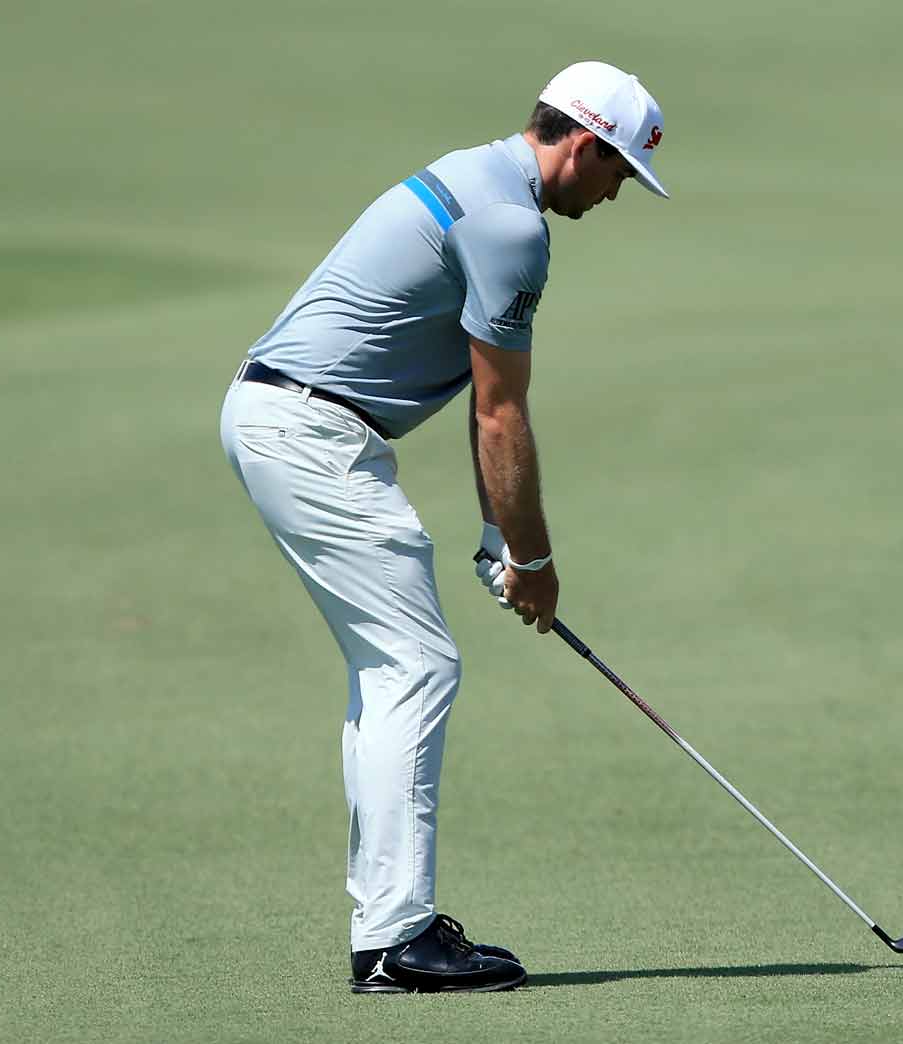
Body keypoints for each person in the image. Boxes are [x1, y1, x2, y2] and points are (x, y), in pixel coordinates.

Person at [217, 61, 669, 994]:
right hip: (311, 432)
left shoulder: (478, 174)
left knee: (396, 667)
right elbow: (503, 413)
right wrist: (535, 561)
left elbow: (479, 399)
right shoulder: (510, 227)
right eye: (618, 169)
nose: (617, 191)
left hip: (289, 419)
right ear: (582, 144)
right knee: (413, 666)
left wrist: (497, 535)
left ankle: (391, 930)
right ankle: (395, 942)